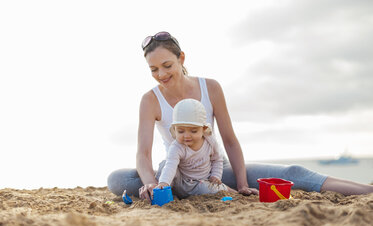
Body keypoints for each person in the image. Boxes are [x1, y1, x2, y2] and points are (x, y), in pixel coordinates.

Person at [107, 31, 373, 202]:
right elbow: (143, 154)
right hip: (175, 170)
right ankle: (176, 190)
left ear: (181, 58)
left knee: (292, 173)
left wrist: (243, 184)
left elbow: (230, 140)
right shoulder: (150, 100)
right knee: (118, 179)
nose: (161, 74)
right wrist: (154, 185)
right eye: (153, 69)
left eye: (167, 65)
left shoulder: (210, 87)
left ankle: (367, 189)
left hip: (215, 170)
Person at [155, 98, 236, 199]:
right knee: (164, 165)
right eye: (181, 131)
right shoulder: (177, 147)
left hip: (201, 183)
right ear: (174, 129)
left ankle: (229, 190)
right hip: (181, 183)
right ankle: (164, 189)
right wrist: (164, 182)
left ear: (204, 129)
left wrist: (215, 176)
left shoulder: (210, 142)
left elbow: (217, 160)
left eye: (193, 131)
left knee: (209, 188)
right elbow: (170, 166)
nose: (186, 136)